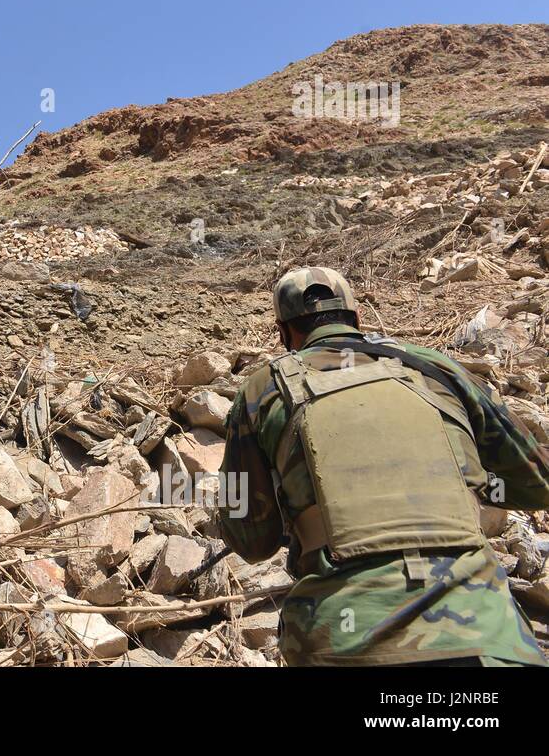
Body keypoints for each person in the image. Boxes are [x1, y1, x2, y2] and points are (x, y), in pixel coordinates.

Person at [219, 266, 549, 666]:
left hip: (344, 643)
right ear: (358, 320)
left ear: (284, 333)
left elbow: (250, 540)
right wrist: (464, 484)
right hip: (487, 635)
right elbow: (537, 482)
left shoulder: (261, 391)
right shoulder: (435, 368)